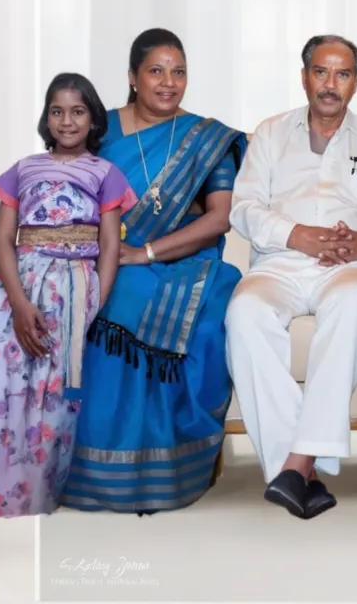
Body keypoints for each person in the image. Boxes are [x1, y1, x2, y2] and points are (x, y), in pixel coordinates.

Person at [225, 35, 357, 520]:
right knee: (244, 312)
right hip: (280, 262)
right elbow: (244, 208)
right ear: (304, 75)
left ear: (356, 82)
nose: (330, 84)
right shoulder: (270, 134)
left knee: (356, 303)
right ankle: (300, 471)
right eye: (321, 72)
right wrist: (296, 235)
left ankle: (294, 464)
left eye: (342, 74)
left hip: (350, 267)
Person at [62, 29, 247, 514]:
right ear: (132, 77)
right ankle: (91, 471)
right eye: (156, 71)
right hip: (106, 256)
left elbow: (219, 218)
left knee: (203, 321)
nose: (169, 82)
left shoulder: (207, 138)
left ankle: (164, 471)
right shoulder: (99, 132)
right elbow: (68, 195)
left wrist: (147, 252)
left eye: (179, 71)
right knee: (108, 297)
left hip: (186, 260)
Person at [0, 74, 134, 517]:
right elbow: (4, 240)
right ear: (46, 117)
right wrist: (20, 305)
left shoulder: (106, 173)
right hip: (18, 283)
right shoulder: (24, 168)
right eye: (57, 111)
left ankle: (36, 487)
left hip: (72, 289)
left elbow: (111, 245)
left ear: (93, 118)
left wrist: (94, 299)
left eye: (77, 111)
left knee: (52, 387)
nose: (67, 120)